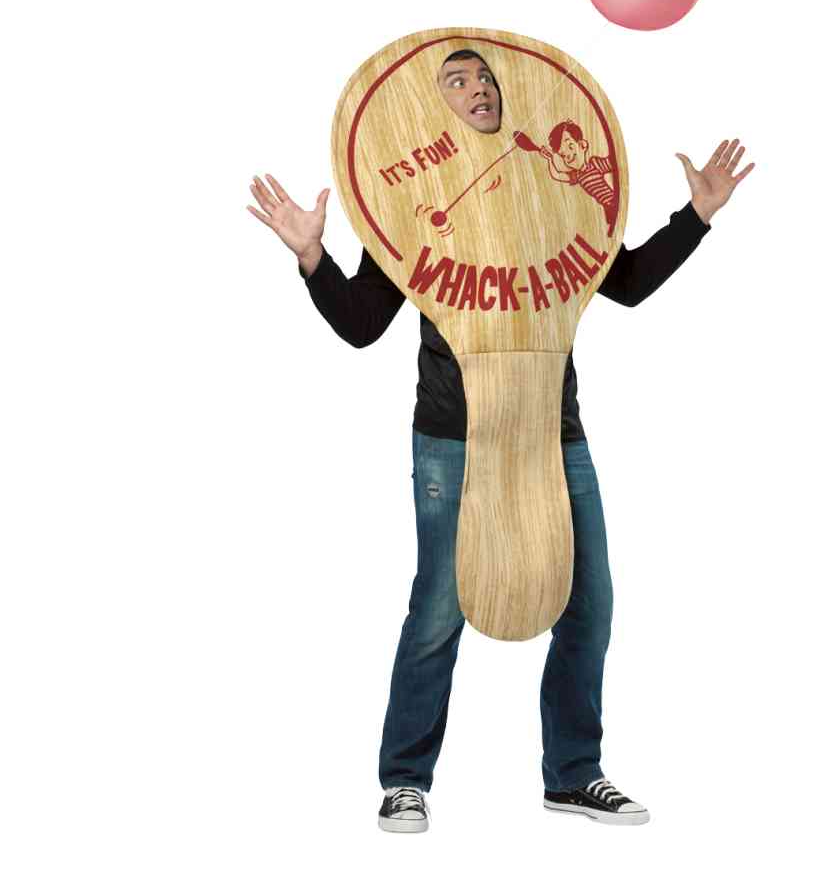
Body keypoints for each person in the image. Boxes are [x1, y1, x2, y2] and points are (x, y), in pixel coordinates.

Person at [246, 48, 755, 832]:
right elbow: (361, 325)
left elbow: (622, 282)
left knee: (589, 603)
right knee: (439, 609)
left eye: (484, 77)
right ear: (435, 106)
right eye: (457, 81)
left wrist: (697, 217)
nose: (478, 87)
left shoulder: (548, 189)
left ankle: (574, 776)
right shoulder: (412, 205)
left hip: (554, 433)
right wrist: (313, 257)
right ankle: (405, 780)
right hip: (453, 440)